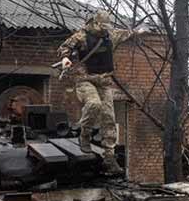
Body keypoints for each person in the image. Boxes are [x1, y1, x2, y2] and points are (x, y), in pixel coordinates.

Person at [57, 11, 136, 174]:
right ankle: (84, 134)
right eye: (102, 27)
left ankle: (109, 157)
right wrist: (65, 58)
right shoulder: (82, 36)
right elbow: (65, 47)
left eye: (107, 27)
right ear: (95, 23)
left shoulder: (111, 35)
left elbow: (128, 33)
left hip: (104, 82)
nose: (105, 30)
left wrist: (140, 30)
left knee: (109, 118)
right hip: (84, 79)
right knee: (94, 104)